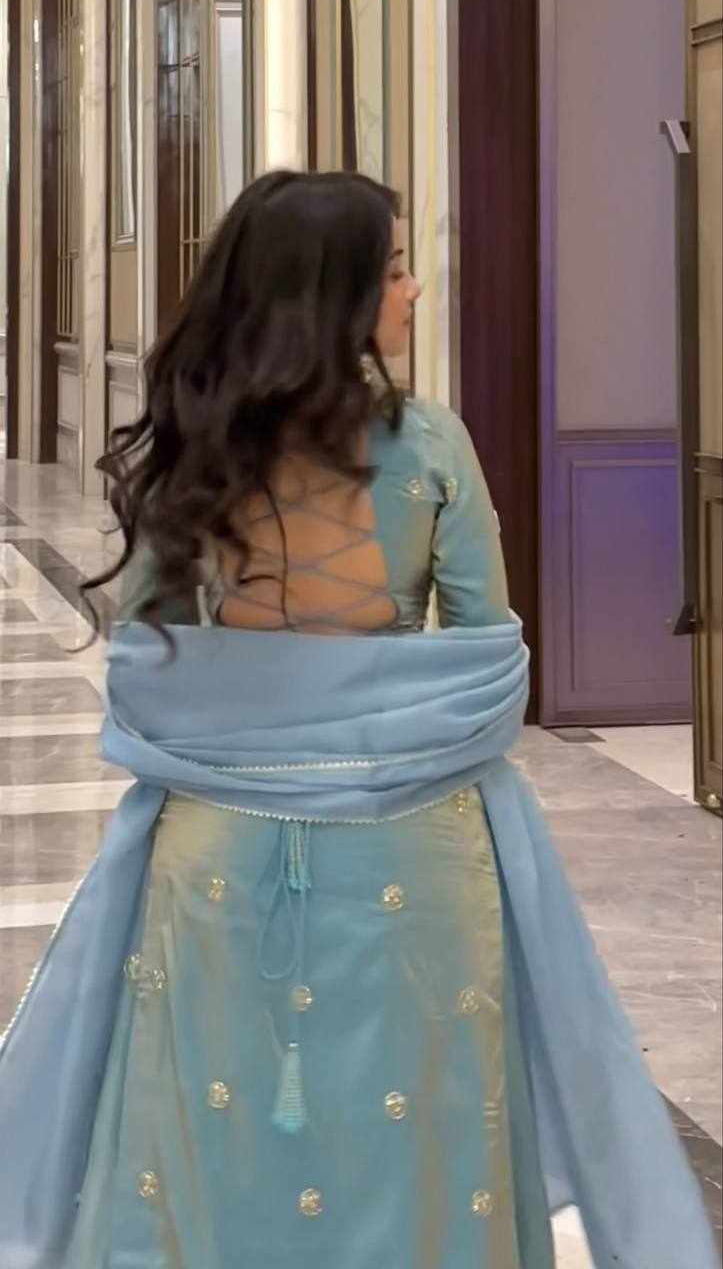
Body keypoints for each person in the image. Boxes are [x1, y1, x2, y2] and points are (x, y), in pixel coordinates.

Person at [0, 172, 717, 1269]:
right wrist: (379, 716)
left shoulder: (199, 446)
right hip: (414, 842)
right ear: (328, 292)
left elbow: (149, 671)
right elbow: (487, 660)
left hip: (220, 846)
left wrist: (260, 720)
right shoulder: (429, 446)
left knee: (214, 1137)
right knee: (415, 1139)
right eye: (393, 270)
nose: (414, 290)